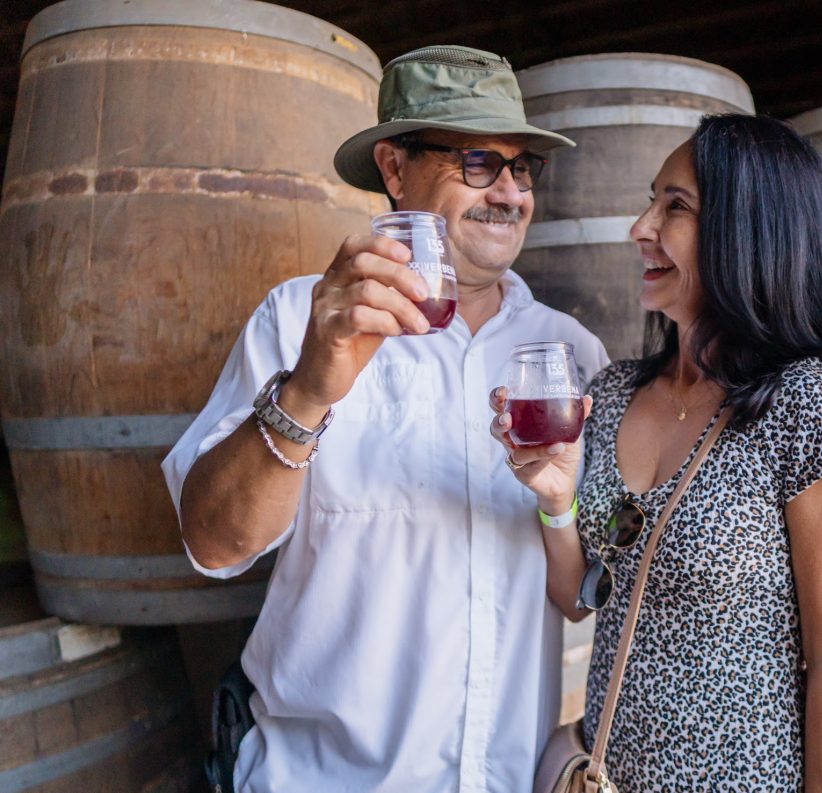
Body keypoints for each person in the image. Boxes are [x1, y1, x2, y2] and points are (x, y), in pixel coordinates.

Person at [162, 45, 608, 793]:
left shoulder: (567, 354)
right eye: (476, 161)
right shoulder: (298, 318)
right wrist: (307, 388)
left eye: (521, 167)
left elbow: (583, 590)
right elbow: (213, 542)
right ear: (395, 169)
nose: (509, 192)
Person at [491, 113, 822, 791]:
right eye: (652, 201)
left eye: (675, 207)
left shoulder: (806, 409)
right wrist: (557, 501)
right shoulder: (614, 392)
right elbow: (580, 596)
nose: (641, 226)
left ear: (749, 233)